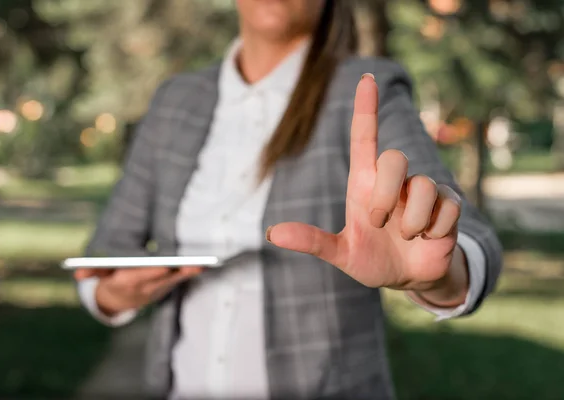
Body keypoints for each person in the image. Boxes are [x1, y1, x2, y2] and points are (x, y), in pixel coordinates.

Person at [74, 1, 502, 399]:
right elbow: (106, 252)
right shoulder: (175, 100)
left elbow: (469, 238)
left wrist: (438, 277)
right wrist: (115, 295)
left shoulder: (366, 89)